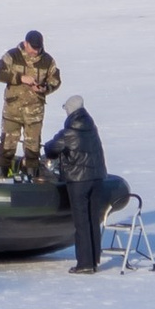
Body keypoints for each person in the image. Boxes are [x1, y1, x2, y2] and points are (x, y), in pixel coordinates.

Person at [45, 95, 109, 273]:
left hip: (79, 181)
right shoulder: (92, 127)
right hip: (97, 178)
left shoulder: (68, 132)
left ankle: (84, 264)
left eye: (66, 108)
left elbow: (51, 148)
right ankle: (94, 259)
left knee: (81, 222)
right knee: (93, 220)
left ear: (70, 110)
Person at [0, 29, 59, 175]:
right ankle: (0, 176)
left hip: (34, 112)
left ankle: (31, 178)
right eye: (33, 48)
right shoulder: (12, 55)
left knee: (32, 148)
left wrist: (44, 88)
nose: (35, 51)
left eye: (38, 48)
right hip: (12, 110)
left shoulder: (47, 61)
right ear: (25, 43)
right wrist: (20, 78)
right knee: (7, 146)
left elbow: (55, 80)